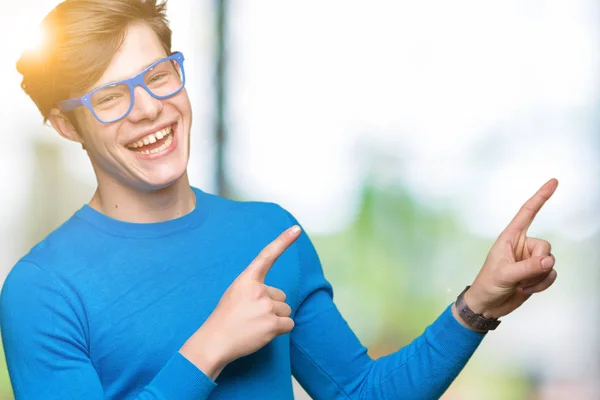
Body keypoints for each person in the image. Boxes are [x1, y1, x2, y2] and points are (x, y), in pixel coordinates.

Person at [0, 1, 559, 399]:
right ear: (65, 125)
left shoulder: (270, 234)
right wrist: (209, 348)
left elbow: (360, 393)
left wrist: (478, 305)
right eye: (111, 97)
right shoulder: (40, 289)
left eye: (159, 75)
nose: (148, 109)